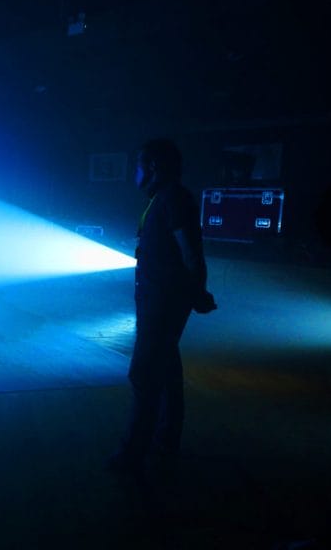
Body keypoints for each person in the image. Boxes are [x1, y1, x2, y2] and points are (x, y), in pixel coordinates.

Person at [108, 139, 217, 474]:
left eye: (138, 165)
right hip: (159, 301)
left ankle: (132, 455)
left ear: (153, 167)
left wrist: (197, 291)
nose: (135, 173)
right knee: (167, 370)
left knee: (143, 374)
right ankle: (165, 442)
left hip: (163, 304)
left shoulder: (172, 198)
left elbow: (191, 253)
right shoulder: (164, 199)